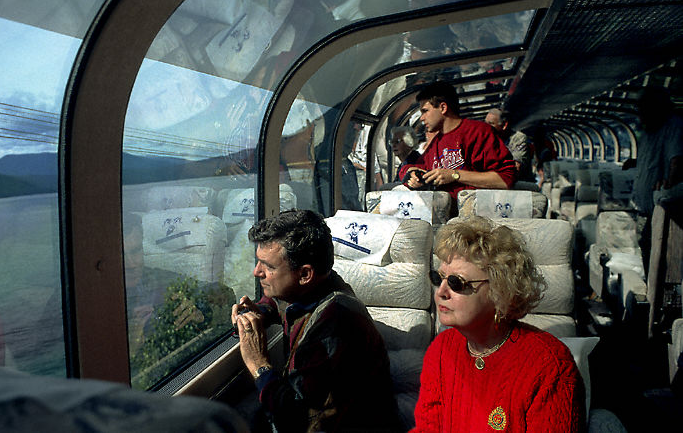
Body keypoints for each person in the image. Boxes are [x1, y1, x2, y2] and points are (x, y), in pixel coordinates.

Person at [231, 210, 401, 432]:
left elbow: (294, 419)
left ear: (304, 275)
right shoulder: (318, 284)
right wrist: (260, 312)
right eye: (258, 262)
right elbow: (278, 303)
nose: (256, 272)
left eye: (269, 267)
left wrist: (258, 364)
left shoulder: (334, 327)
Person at [413, 216, 585, 432]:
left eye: (457, 283)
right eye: (439, 278)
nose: (441, 292)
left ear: (500, 291)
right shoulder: (441, 350)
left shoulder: (550, 366)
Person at [399, 81, 517, 198]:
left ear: (443, 107)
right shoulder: (436, 143)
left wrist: (455, 175)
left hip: (478, 213)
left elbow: (504, 179)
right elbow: (413, 167)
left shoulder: (478, 132)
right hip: (446, 213)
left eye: (425, 111)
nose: (421, 118)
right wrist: (411, 174)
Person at [628, 87, 683, 274]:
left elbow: (676, 160)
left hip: (665, 213)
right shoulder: (648, 133)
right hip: (647, 213)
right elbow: (650, 160)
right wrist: (634, 163)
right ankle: (653, 296)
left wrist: (669, 182)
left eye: (643, 110)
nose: (640, 116)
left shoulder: (673, 126)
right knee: (649, 252)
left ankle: (664, 301)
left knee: (667, 264)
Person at [485, 108, 535, 182]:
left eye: (491, 124)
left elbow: (515, 168)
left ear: (504, 125)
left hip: (519, 184)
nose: (486, 127)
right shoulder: (486, 140)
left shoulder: (518, 138)